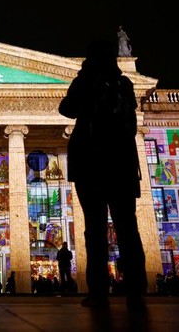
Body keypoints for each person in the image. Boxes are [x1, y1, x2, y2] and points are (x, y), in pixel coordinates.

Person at [58, 39, 147, 310]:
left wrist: (84, 78)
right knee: (127, 228)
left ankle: (98, 292)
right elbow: (130, 124)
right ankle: (136, 291)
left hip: (92, 164)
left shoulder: (86, 82)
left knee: (95, 229)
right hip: (121, 163)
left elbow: (66, 109)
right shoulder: (124, 84)